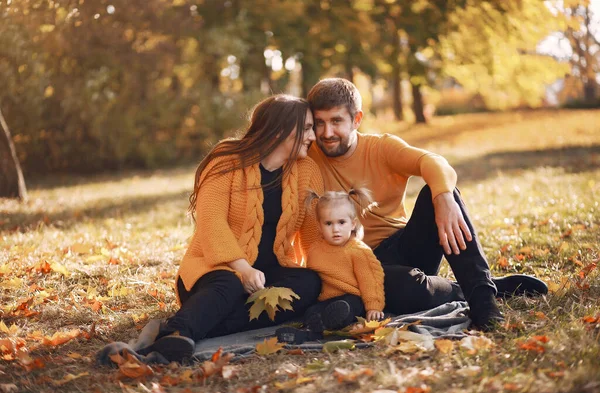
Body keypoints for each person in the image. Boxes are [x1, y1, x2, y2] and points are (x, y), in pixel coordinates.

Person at [305, 78, 548, 331]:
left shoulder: (380, 148)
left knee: (443, 191)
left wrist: (443, 197)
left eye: (336, 121)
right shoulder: (307, 156)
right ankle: (470, 287)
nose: (327, 133)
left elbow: (432, 162)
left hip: (403, 247)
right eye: (320, 123)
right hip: (355, 262)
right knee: (407, 289)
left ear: (356, 119)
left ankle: (483, 299)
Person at [123, 95, 324, 363]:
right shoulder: (227, 160)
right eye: (308, 127)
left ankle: (188, 325)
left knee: (309, 282)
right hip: (214, 274)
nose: (313, 135)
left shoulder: (308, 170)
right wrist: (243, 269)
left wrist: (343, 275)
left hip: (266, 278)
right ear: (281, 128)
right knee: (229, 283)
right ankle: (177, 332)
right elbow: (211, 222)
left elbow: (313, 237)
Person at [277, 188, 385, 344]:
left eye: (341, 222)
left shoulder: (358, 251)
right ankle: (311, 332)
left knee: (348, 307)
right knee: (312, 312)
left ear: (353, 224)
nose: (336, 229)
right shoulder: (315, 250)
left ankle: (324, 326)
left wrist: (373, 306)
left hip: (352, 297)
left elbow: (371, 281)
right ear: (320, 227)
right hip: (326, 301)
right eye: (329, 223)